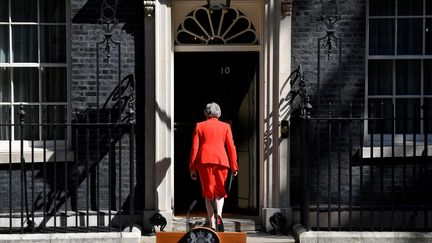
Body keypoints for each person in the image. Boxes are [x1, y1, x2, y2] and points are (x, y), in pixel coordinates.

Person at [189, 102, 239, 231]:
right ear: (219, 113)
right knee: (220, 192)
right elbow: (231, 147)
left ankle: (211, 223)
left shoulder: (199, 126)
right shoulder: (226, 126)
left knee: (208, 193)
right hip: (221, 161)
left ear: (206, 113)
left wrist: (192, 167)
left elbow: (194, 149)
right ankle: (219, 215)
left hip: (204, 161)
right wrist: (234, 166)